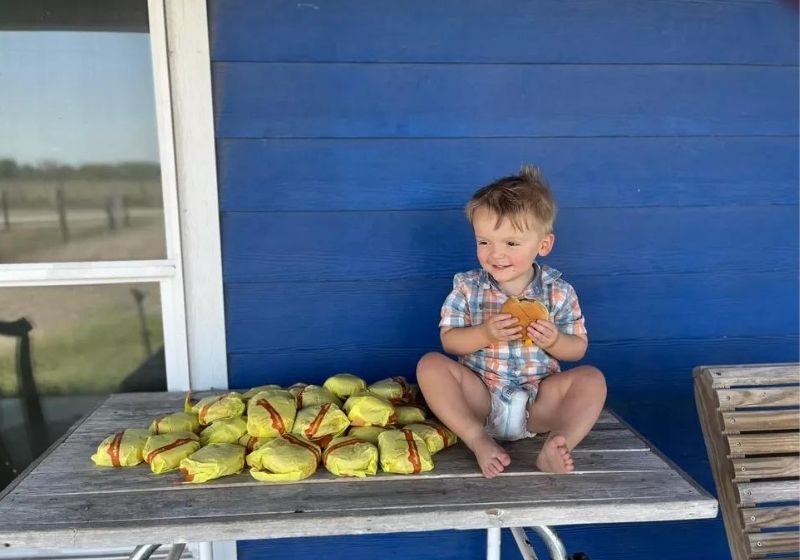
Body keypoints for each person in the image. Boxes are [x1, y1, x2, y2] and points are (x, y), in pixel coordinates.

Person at [416, 164, 606, 478]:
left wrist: (555, 341)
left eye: (511, 243)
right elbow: (449, 341)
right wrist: (485, 332)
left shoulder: (558, 292)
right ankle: (477, 439)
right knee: (430, 366)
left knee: (592, 380)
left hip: (538, 402)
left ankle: (558, 445)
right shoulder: (468, 287)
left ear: (543, 245)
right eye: (484, 242)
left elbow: (577, 349)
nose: (496, 254)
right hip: (480, 398)